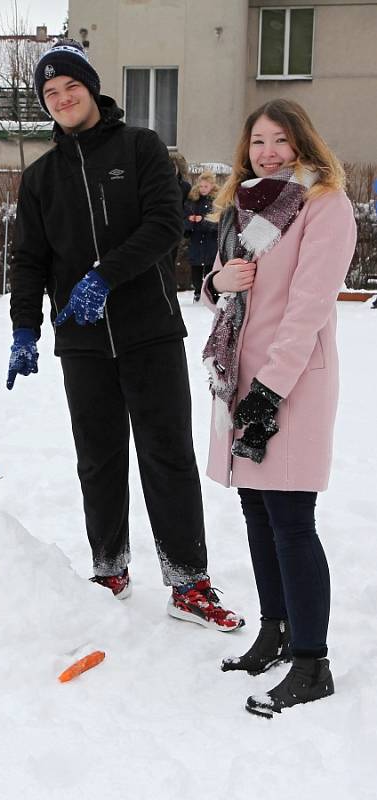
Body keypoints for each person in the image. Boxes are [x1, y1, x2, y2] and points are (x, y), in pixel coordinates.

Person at [7, 39, 243, 632]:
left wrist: (104, 276)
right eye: (51, 94)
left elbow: (165, 225)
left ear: (91, 88)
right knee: (98, 456)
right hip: (82, 341)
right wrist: (24, 329)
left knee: (167, 455)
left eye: (71, 88)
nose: (62, 100)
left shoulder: (140, 149)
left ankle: (188, 583)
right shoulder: (40, 178)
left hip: (149, 332)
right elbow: (29, 258)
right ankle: (109, 567)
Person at [200, 99, 357, 716]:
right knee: (257, 511)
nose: (268, 152)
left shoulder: (325, 205)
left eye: (280, 141)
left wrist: (271, 389)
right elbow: (221, 281)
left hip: (292, 381)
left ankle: (312, 661)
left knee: (291, 519)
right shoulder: (242, 205)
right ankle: (277, 630)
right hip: (239, 376)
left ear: (303, 145)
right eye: (258, 141)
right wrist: (217, 284)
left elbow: (311, 304)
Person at [184, 170, 218, 302]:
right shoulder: (192, 201)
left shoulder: (216, 201)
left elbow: (218, 222)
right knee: (196, 269)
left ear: (212, 186)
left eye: (206, 186)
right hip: (196, 241)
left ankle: (210, 293)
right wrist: (189, 221)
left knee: (210, 269)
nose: (203, 189)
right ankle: (198, 292)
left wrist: (202, 220)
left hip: (211, 242)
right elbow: (184, 220)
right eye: (201, 186)